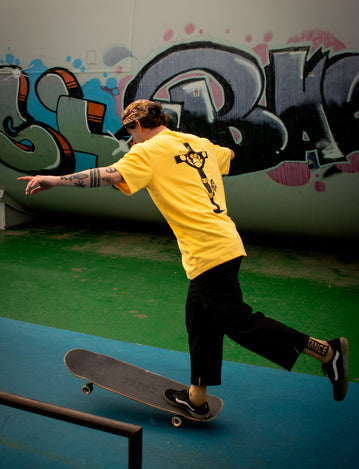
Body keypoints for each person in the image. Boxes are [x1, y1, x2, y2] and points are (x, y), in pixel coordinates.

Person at [18, 99, 349, 419]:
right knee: (200, 320)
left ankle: (327, 351)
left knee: (238, 322)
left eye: (129, 131)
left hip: (209, 248)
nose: (130, 138)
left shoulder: (146, 151)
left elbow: (109, 176)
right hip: (219, 243)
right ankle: (196, 399)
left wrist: (55, 180)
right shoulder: (196, 142)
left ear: (136, 125)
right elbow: (230, 154)